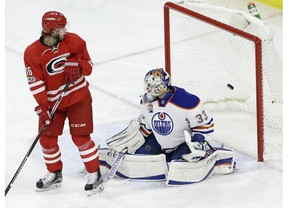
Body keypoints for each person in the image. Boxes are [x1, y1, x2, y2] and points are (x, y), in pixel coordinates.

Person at [104, 68, 235, 184]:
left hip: (181, 144)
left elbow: (204, 125)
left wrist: (199, 141)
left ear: (161, 86)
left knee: (177, 165)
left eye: (151, 85)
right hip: (158, 141)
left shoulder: (187, 101)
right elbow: (146, 126)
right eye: (147, 85)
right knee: (139, 158)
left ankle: (213, 158)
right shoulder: (146, 101)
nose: (148, 89)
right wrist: (132, 140)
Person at [23, 11, 103, 195]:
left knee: (81, 138)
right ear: (50, 30)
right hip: (53, 104)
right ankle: (54, 173)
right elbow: (35, 83)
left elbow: (89, 66)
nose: (64, 31)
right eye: (60, 28)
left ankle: (95, 174)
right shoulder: (32, 53)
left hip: (78, 98)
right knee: (47, 140)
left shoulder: (74, 41)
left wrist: (78, 65)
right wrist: (43, 108)